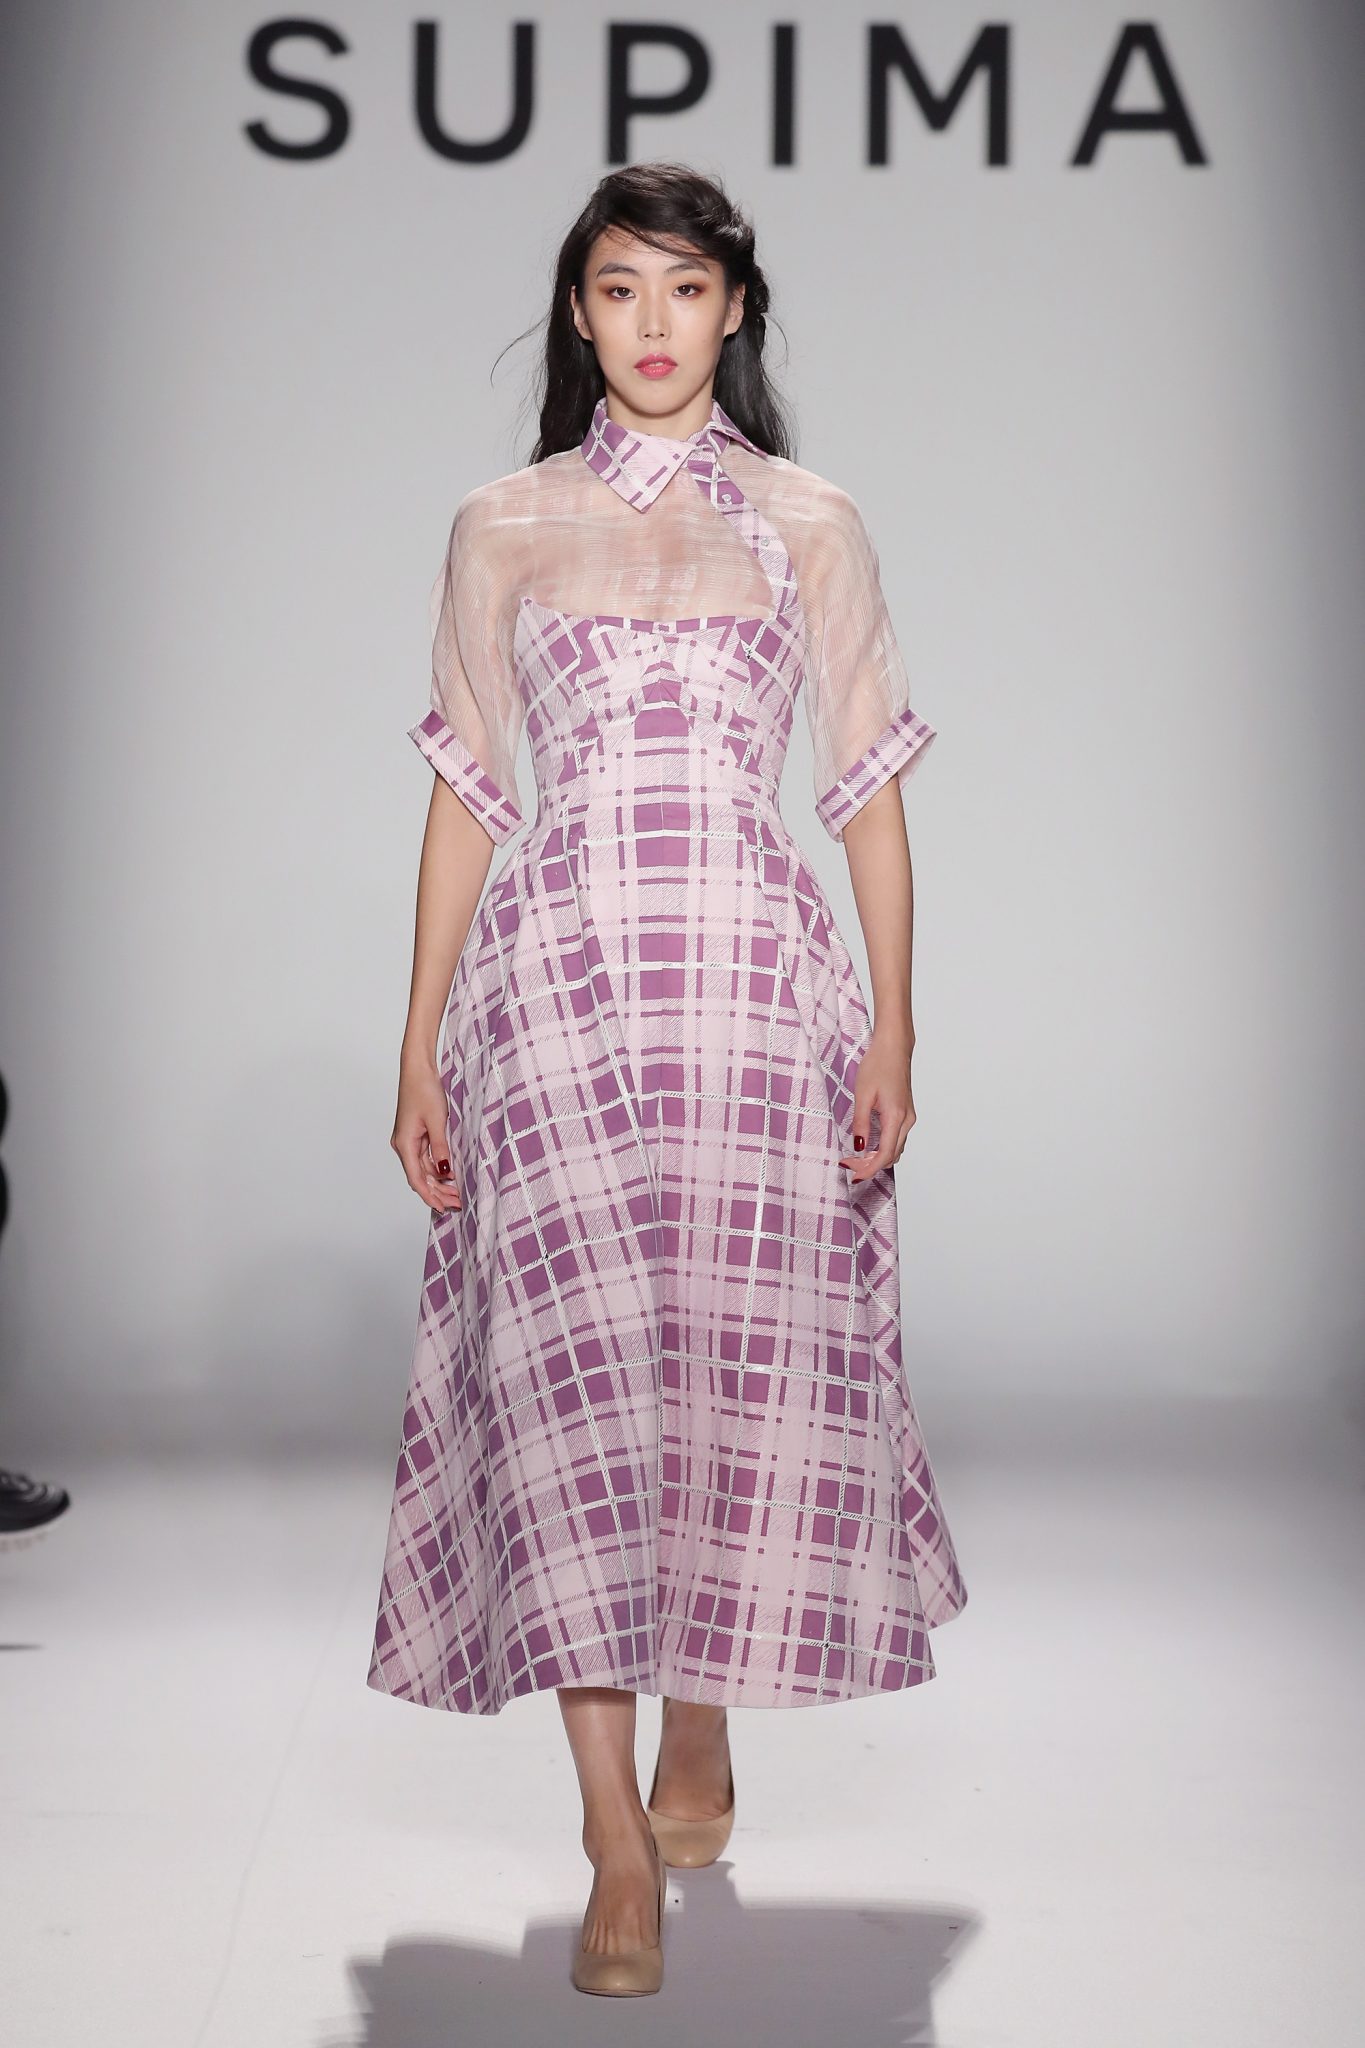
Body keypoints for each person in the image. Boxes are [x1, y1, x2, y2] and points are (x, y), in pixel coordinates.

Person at [367, 159, 968, 1997]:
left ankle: (702, 1709)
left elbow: (865, 791)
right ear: (579, 310)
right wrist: (417, 1039)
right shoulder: (501, 527)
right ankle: (610, 1837)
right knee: (565, 1390)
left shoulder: (808, 523)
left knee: (729, 1369)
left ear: (734, 311)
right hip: (554, 995)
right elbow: (466, 797)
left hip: (752, 993)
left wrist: (893, 1022)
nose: (652, 323)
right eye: (620, 288)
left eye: (686, 289)